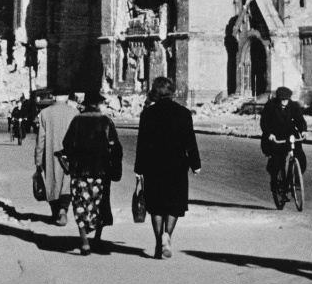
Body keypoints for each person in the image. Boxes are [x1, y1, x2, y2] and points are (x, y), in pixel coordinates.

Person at [133, 77, 201, 259]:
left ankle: (158, 242)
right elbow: (190, 141)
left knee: (156, 206)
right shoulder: (184, 113)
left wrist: (138, 168)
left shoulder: (147, 114)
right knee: (174, 204)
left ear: (155, 92)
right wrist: (196, 164)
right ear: (172, 92)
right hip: (177, 165)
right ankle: (167, 235)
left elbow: (142, 144)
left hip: (153, 165)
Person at [60, 88, 123, 254]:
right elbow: (115, 146)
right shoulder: (106, 121)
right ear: (98, 105)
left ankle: (84, 241)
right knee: (99, 205)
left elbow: (67, 145)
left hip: (80, 171)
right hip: (101, 172)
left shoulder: (76, 121)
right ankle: (97, 239)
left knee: (80, 205)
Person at [34, 89, 78, 226]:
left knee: (52, 182)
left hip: (51, 154)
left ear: (53, 97)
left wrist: (38, 160)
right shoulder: (75, 113)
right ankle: (63, 209)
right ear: (67, 97)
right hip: (69, 155)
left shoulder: (45, 113)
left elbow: (40, 139)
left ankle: (55, 213)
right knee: (67, 181)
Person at [259, 85, 307, 202]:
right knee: (277, 161)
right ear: (278, 98)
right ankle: (275, 183)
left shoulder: (293, 106)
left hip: (290, 135)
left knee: (300, 156)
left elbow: (299, 119)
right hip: (274, 137)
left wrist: (303, 130)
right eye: (282, 99)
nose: (284, 101)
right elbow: (264, 121)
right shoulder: (271, 105)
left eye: (286, 99)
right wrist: (269, 133)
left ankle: (295, 180)